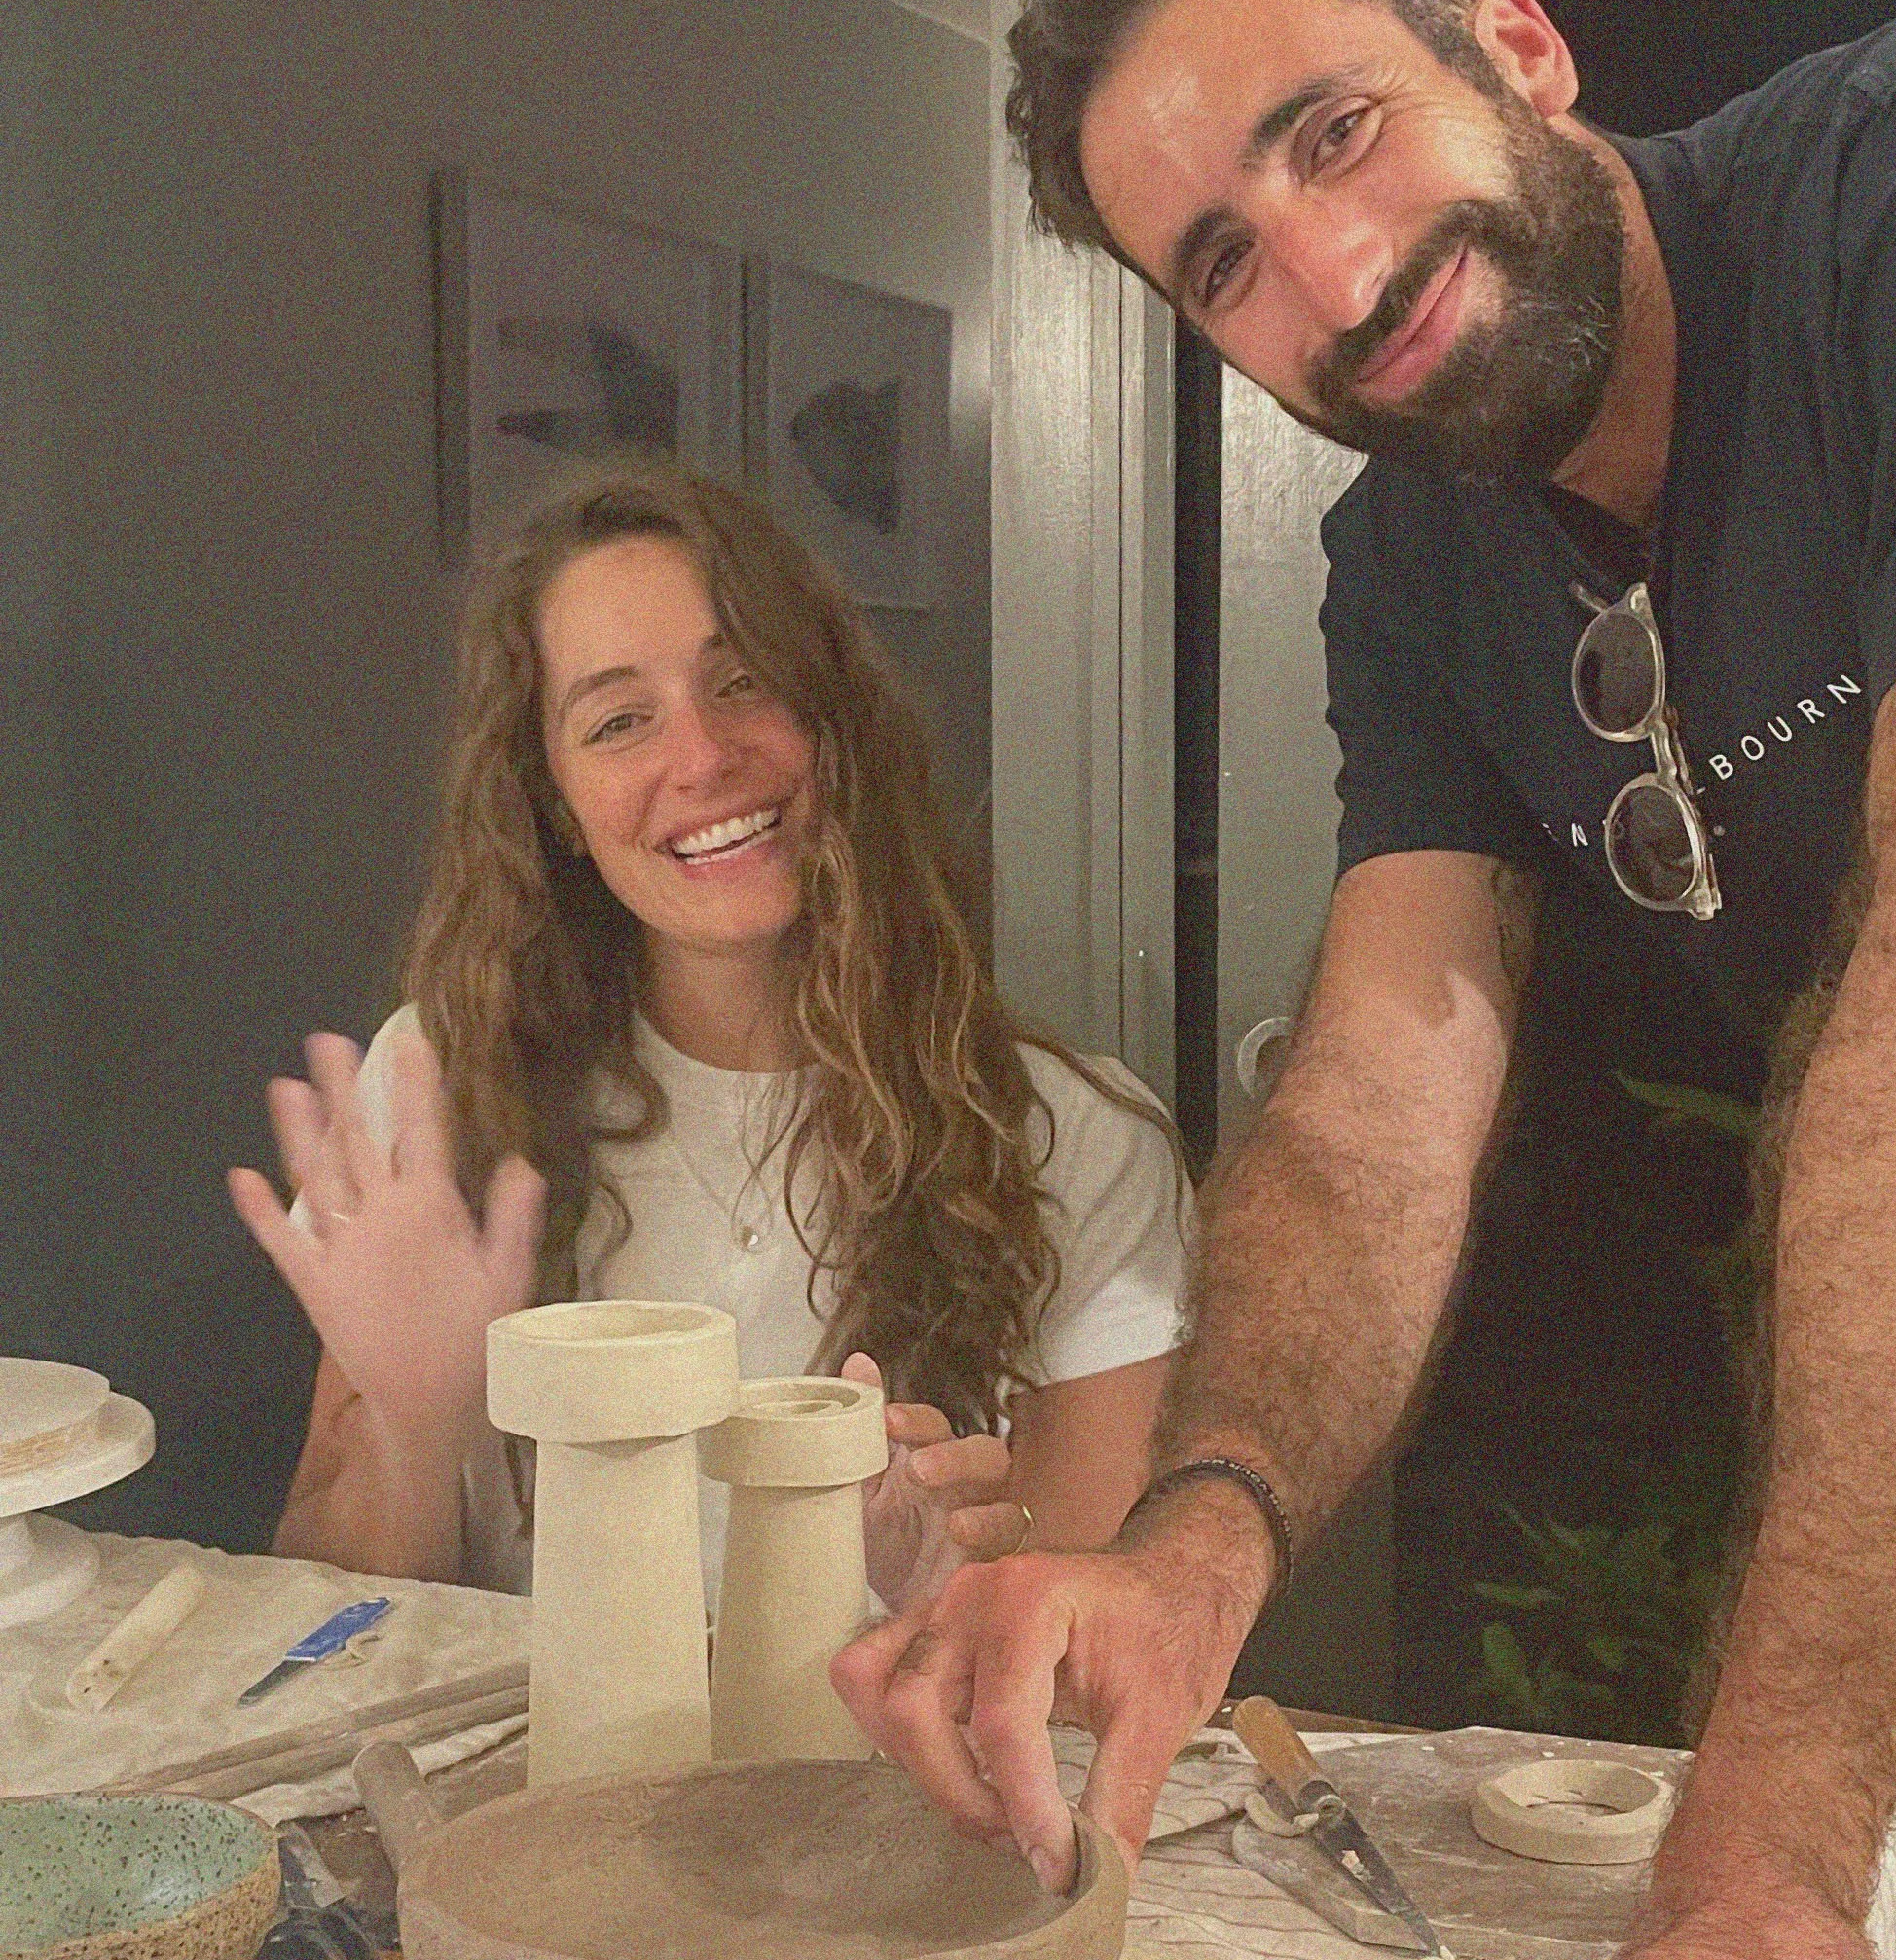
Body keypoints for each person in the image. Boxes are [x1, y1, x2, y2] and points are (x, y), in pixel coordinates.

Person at [831, 0, 1896, 1960]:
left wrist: (1764, 1863)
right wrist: (1193, 1541)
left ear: (1514, 43)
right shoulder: (1415, 561)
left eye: (1331, 130)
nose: (1324, 274)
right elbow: (1378, 1088)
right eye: (1217, 262)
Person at [232, 460, 1189, 1614]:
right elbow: (332, 1626)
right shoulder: (443, 1084)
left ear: (833, 721)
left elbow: (1098, 1659)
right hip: (525, 1793)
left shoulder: (1074, 1143)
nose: (700, 757)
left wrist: (960, 1592)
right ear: (554, 804)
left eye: (742, 681)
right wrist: (414, 1422)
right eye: (619, 719)